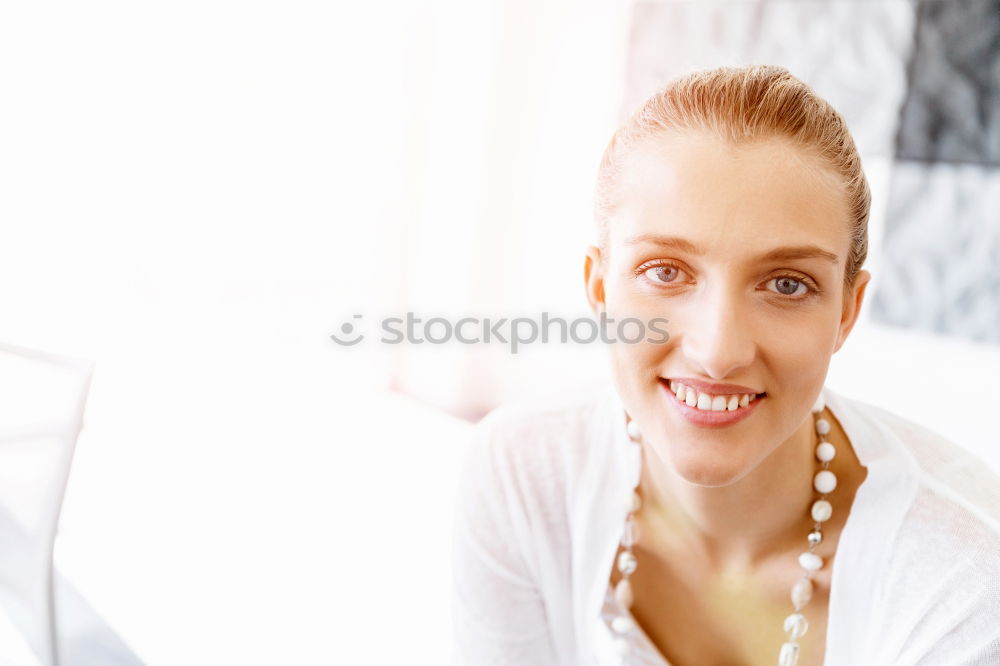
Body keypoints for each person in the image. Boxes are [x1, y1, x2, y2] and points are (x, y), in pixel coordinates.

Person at [450, 65, 1000, 666]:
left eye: (787, 284)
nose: (717, 352)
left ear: (847, 312)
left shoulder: (966, 580)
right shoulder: (522, 474)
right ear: (600, 289)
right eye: (665, 271)